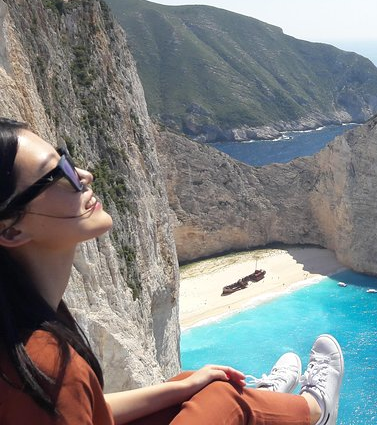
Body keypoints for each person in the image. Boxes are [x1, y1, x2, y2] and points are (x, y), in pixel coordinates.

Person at [0, 118, 344, 424]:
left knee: (193, 384)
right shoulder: (45, 365)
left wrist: (182, 389)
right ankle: (313, 410)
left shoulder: (22, 332)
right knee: (225, 400)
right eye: (57, 174)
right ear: (10, 230)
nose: (84, 175)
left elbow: (88, 409)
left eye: (67, 160)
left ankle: (271, 401)